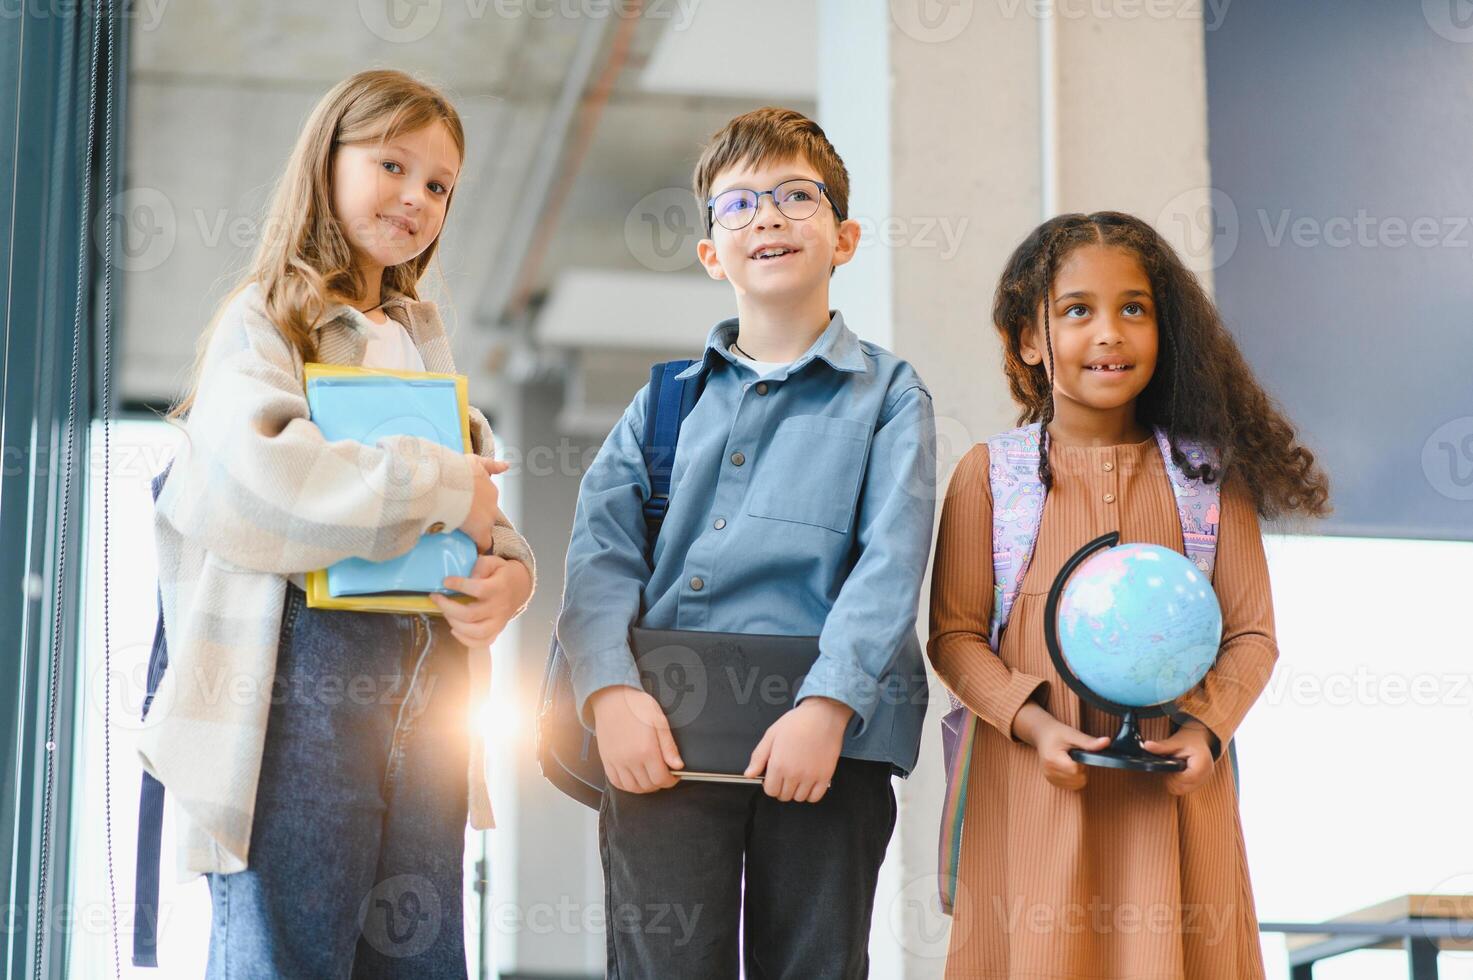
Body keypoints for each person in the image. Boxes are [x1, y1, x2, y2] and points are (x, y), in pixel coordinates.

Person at [140, 69, 535, 977]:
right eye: (392, 163)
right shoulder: (266, 319)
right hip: (297, 685)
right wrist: (442, 486)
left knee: (419, 955)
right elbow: (267, 486)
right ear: (327, 162)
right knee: (291, 950)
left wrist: (509, 573)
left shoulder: (415, 339)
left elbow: (481, 496)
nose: (416, 197)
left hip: (428, 681)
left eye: (439, 185)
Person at [556, 107, 937, 978]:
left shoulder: (889, 396)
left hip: (826, 748)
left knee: (814, 963)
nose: (766, 216)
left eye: (795, 196)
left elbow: (891, 560)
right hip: (661, 740)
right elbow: (599, 563)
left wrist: (826, 705)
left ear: (842, 238)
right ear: (709, 252)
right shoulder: (658, 406)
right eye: (738, 205)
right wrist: (610, 695)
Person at [929, 211, 1331, 979]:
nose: (1108, 332)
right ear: (1028, 339)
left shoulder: (1209, 479)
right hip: (1034, 787)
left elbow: (1252, 634)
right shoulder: (990, 475)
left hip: (1173, 796)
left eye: (1133, 309)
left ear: (1162, 330)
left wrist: (1206, 730)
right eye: (1077, 310)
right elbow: (952, 636)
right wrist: (1031, 724)